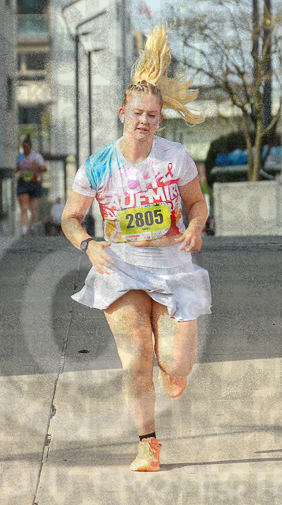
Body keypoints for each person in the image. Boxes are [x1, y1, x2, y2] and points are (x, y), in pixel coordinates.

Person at [61, 24, 209, 472]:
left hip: (172, 267)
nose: (143, 121)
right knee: (136, 357)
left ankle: (175, 367)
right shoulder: (99, 165)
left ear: (160, 119)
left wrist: (196, 227)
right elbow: (70, 217)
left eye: (152, 115)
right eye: (137, 113)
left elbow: (197, 203)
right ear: (122, 112)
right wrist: (88, 245)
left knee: (176, 366)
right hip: (121, 269)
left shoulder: (175, 158)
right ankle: (148, 443)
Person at [15, 136, 47, 235]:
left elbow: (44, 169)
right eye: (24, 147)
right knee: (24, 208)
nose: (25, 149)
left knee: (34, 207)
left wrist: (37, 167)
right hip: (23, 182)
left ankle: (33, 226)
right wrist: (16, 170)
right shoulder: (20, 157)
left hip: (34, 182)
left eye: (27, 147)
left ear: (30, 147)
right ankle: (24, 229)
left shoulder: (36, 157)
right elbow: (16, 168)